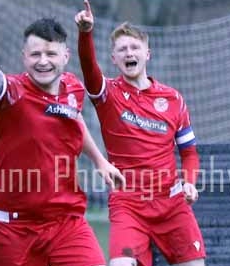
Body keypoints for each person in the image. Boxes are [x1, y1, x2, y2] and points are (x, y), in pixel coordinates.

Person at [0, 0, 123, 265]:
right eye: (35, 55)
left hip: (65, 223)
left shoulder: (73, 88)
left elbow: (74, 119)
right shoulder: (10, 92)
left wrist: (99, 160)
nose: (43, 61)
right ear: (24, 57)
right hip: (8, 226)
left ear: (65, 57)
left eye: (51, 54)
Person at [75, 1, 206, 266]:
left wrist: (190, 181)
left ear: (148, 53)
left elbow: (189, 153)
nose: (128, 53)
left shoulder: (173, 99)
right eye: (122, 49)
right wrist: (86, 33)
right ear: (114, 58)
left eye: (135, 47)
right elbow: (89, 70)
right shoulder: (108, 94)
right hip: (128, 204)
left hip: (172, 204)